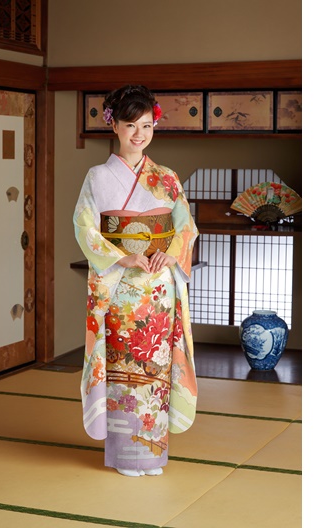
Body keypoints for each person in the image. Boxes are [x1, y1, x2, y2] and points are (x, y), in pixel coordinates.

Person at [73, 85, 199, 477]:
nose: (139, 134)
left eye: (147, 125)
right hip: (122, 289)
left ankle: (153, 453)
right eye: (131, 125)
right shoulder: (98, 177)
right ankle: (128, 455)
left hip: (159, 287)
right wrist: (121, 256)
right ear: (114, 126)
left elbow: (186, 226)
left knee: (156, 369)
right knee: (124, 369)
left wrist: (170, 252)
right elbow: (85, 227)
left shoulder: (166, 177)